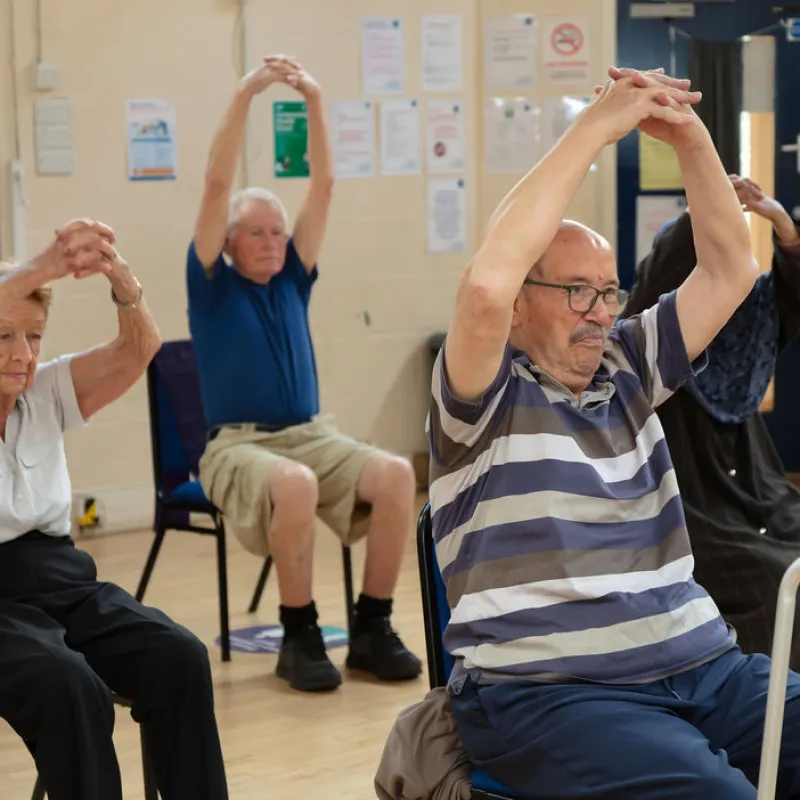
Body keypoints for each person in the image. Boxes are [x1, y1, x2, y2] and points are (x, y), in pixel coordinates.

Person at [426, 65, 800, 799]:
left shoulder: (629, 363)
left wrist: (689, 135)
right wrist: (596, 127)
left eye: (607, 290)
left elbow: (730, 268)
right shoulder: (482, 391)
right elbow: (482, 287)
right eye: (575, 291)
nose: (600, 311)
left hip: (702, 669)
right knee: (719, 794)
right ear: (521, 307)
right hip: (551, 691)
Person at [188, 54, 421, 693]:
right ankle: (299, 633)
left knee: (399, 475)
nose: (271, 240)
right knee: (293, 484)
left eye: (277, 232)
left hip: (312, 434)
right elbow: (215, 185)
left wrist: (315, 99)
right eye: (256, 233)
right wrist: (246, 95)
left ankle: (372, 628)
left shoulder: (293, 277)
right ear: (230, 243)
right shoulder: (210, 286)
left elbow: (323, 186)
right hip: (238, 446)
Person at [0, 219, 229, 800]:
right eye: (3, 336)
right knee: (71, 686)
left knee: (179, 657)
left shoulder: (45, 391)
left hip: (63, 581)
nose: (21, 355)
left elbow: (139, 349)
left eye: (33, 337)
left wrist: (118, 278)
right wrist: (43, 267)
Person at [623, 175, 800, 668]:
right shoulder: (649, 346)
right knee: (771, 579)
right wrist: (706, 207)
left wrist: (781, 222)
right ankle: (769, 719)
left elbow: (789, 293)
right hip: (691, 515)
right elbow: (653, 283)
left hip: (759, 500)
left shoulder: (748, 330)